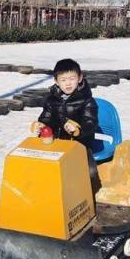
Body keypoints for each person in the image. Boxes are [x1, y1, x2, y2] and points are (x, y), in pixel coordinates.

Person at [31, 58, 99, 194]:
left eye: (72, 78)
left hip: (80, 142)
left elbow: (90, 122)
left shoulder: (87, 101)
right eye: (63, 80)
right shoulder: (52, 100)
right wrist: (41, 123)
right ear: (56, 81)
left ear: (80, 78)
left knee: (88, 169)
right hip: (57, 141)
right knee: (42, 164)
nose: (68, 83)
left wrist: (78, 130)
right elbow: (48, 116)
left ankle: (89, 192)